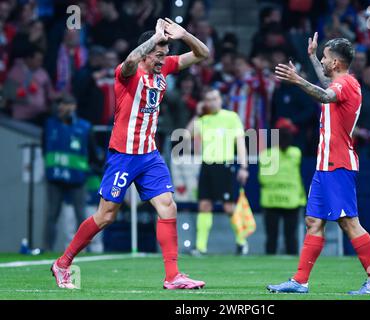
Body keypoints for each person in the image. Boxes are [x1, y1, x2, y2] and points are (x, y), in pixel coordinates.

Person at [51, 18, 210, 290]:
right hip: (123, 155)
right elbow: (130, 60)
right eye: (159, 55)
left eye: (165, 54)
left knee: (167, 206)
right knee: (106, 216)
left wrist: (183, 34)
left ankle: (173, 276)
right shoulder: (128, 73)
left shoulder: (165, 68)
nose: (164, 60)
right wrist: (155, 37)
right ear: (147, 53)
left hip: (148, 155)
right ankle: (63, 263)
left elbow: (202, 54)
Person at [267, 32, 370, 295]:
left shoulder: (347, 84)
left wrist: (297, 80)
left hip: (338, 165)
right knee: (313, 221)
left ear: (335, 63)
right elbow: (325, 86)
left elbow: (324, 95)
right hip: (325, 166)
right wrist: (311, 56)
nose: (322, 61)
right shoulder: (340, 82)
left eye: (324, 58)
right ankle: (300, 281)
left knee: (349, 223)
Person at [187, 88, 249, 256]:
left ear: (220, 100)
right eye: (208, 99)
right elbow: (187, 135)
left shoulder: (231, 117)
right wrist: (197, 114)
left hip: (225, 165)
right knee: (204, 205)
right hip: (207, 166)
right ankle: (201, 247)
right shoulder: (203, 119)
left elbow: (240, 143)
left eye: (215, 98)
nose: (212, 102)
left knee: (229, 207)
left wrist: (243, 167)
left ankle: (241, 242)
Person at [42, 94, 97, 251]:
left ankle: (88, 250)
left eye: (66, 104)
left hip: (77, 178)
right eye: (60, 104)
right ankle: (47, 248)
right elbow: (44, 147)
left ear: (74, 107)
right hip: (55, 177)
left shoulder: (85, 127)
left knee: (81, 215)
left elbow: (92, 153)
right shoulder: (50, 124)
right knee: (52, 215)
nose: (62, 108)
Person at [258, 117, 307, 255]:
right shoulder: (296, 153)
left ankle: (268, 268)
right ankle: (293, 269)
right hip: (291, 200)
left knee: (271, 238)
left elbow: (262, 179)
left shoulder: (266, 154)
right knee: (290, 237)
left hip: (270, 200)